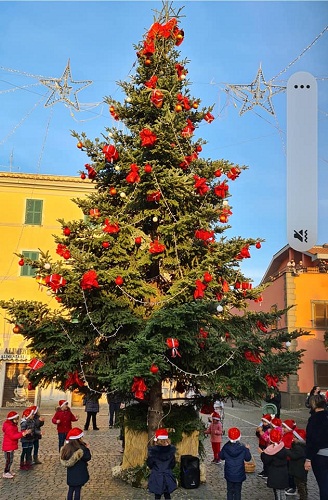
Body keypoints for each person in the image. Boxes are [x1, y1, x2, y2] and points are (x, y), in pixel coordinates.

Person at [304, 394, 328, 500]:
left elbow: (313, 441)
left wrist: (308, 458)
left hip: (320, 456)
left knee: (324, 485)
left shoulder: (314, 419)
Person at [220, 427, 252, 500]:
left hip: (229, 473)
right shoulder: (243, 447)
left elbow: (221, 456)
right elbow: (248, 458)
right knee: (238, 491)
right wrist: (247, 449)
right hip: (239, 473)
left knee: (230, 491)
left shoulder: (226, 446)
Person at [60, 427, 91, 500]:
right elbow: (88, 457)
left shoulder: (66, 448)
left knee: (70, 490)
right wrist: (87, 448)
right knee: (77, 490)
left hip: (71, 474)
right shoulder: (81, 449)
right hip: (80, 473)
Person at [147, 428, 177, 500]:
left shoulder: (153, 452)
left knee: (157, 496)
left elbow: (150, 463)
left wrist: (155, 468)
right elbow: (173, 463)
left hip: (157, 474)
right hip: (168, 474)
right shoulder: (170, 451)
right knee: (167, 495)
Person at [260, 428, 289, 500]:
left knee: (277, 491)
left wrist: (262, 453)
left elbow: (266, 460)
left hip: (275, 473)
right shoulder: (283, 448)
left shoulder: (271, 450)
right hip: (283, 472)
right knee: (282, 490)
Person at [2, 411, 31, 479]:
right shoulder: (10, 427)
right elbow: (13, 436)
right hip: (8, 446)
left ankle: (9, 471)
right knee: (9, 460)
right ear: (12, 419)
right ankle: (6, 472)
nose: (17, 420)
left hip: (10, 445)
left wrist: (24, 432)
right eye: (16, 419)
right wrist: (22, 434)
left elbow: (16, 433)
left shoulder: (12, 425)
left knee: (10, 460)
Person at [286, 428, 308, 500]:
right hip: (298, 470)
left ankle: (303, 498)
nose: (293, 438)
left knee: (301, 486)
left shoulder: (299, 447)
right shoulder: (298, 446)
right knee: (302, 485)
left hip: (299, 470)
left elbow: (294, 456)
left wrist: (287, 451)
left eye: (295, 437)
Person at [256, 414, 272, 479]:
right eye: (263, 422)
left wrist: (261, 432)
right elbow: (258, 436)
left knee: (266, 459)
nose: (263, 423)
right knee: (262, 458)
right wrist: (257, 432)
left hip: (266, 445)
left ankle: (267, 472)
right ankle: (264, 470)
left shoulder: (269, 429)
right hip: (261, 444)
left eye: (265, 422)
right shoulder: (262, 427)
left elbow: (266, 438)